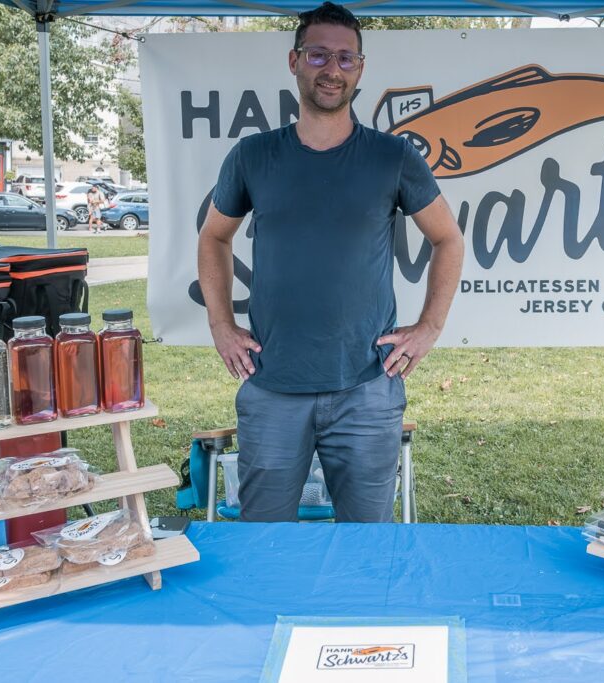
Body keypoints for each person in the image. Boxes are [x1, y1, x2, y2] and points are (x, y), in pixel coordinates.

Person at [198, 2, 464, 523]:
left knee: (368, 546)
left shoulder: (393, 157)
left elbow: (448, 240)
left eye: (345, 58)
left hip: (367, 389)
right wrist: (221, 324)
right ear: (294, 61)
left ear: (360, 68)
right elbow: (213, 238)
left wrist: (429, 327)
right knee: (265, 541)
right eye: (318, 55)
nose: (332, 69)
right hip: (273, 385)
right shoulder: (253, 156)